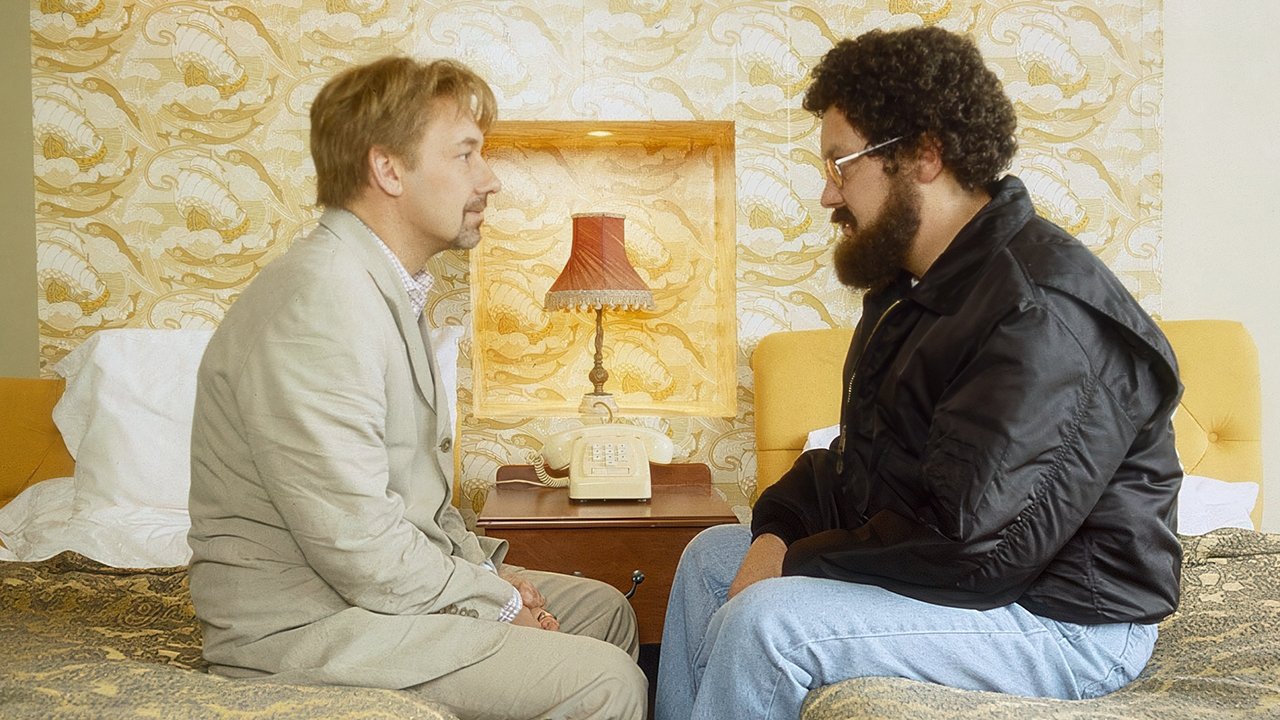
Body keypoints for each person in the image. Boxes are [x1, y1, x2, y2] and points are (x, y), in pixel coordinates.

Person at [656, 26, 1182, 720]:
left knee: (767, 624)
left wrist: (793, 565)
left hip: (1064, 620)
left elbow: (976, 548)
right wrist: (778, 532)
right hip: (983, 576)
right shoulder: (917, 291)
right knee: (709, 560)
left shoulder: (1038, 313)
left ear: (925, 155)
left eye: (840, 164)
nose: (827, 194)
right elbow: (864, 471)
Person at [187, 56, 647, 720]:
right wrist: (498, 602)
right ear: (388, 169)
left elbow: (416, 506)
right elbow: (357, 545)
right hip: (311, 627)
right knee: (605, 681)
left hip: (369, 598)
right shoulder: (321, 300)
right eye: (465, 155)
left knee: (603, 610)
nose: (489, 179)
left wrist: (489, 574)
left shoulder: (380, 290)